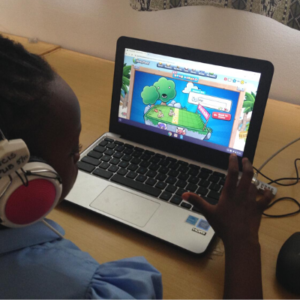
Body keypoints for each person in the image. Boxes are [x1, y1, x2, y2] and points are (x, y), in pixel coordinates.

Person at [0, 34, 273, 299]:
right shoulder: (78, 287)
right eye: (74, 150)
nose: (80, 157)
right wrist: (242, 242)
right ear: (27, 180)